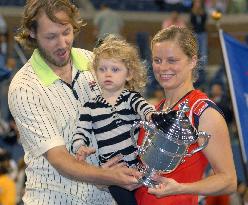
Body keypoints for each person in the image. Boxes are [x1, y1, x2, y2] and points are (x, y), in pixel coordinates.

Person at [8, 0, 140, 204]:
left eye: (66, 32)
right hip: (53, 199)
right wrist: (108, 176)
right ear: (32, 33)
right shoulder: (24, 88)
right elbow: (60, 159)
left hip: (106, 199)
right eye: (51, 37)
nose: (62, 44)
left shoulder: (94, 62)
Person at [135, 26, 237, 205]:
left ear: (192, 61)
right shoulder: (155, 110)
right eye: (157, 60)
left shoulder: (203, 112)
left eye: (172, 60)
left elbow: (228, 181)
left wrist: (181, 188)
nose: (163, 67)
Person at [71, 34, 155, 205]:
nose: (108, 74)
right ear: (95, 72)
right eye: (102, 69)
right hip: (113, 174)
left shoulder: (131, 98)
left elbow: (146, 109)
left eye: (115, 70)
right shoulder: (90, 106)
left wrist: (152, 116)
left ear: (129, 74)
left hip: (139, 168)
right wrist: (80, 147)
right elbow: (81, 131)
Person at [190, 0, 208, 88]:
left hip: (202, 33)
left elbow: (204, 22)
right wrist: (195, 12)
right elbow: (193, 22)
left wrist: (200, 13)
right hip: (196, 33)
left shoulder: (203, 13)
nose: (197, 5)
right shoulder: (192, 13)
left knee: (203, 50)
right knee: (196, 50)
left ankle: (203, 66)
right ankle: (196, 65)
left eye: (198, 3)